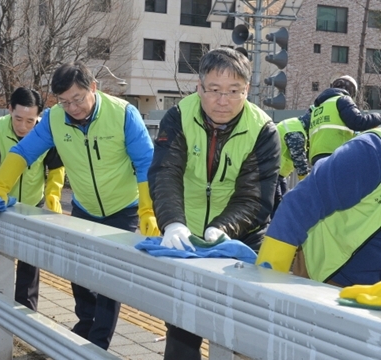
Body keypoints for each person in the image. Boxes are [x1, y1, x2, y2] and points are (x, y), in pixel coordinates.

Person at [0, 61, 158, 350]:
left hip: (123, 208)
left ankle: (97, 345)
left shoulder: (124, 114)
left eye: (77, 99)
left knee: (108, 281)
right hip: (84, 207)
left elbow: (145, 163)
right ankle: (85, 325)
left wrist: (148, 210)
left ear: (93, 88)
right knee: (79, 273)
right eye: (64, 102)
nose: (72, 108)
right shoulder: (54, 119)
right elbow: (23, 152)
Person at [148, 48, 280, 360]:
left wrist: (222, 228)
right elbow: (166, 173)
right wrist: (173, 222)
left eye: (234, 91)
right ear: (199, 87)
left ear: (247, 90)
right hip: (186, 236)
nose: (223, 101)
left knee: (243, 329)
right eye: (215, 90)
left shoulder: (263, 130)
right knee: (183, 327)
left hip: (241, 238)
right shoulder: (178, 116)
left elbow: (255, 197)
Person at [256, 128, 381, 289]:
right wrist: (267, 280)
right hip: (321, 276)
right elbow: (299, 205)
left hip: (372, 291)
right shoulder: (369, 152)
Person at [0, 87, 64, 311]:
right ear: (10, 109)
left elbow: (56, 168)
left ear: (38, 117)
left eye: (30, 121)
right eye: (18, 119)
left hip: (33, 204)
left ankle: (25, 312)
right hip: (2, 206)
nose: (23, 127)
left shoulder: (46, 132)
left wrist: (53, 195)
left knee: (30, 263)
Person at [308, 75, 381, 166]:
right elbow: (357, 122)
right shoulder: (342, 99)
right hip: (336, 153)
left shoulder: (316, 109)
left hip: (316, 157)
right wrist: (378, 117)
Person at [273, 113, 310, 216]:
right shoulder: (295, 132)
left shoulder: (296, 126)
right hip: (272, 173)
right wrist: (309, 185)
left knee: (282, 203)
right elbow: (300, 161)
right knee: (278, 208)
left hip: (278, 173)